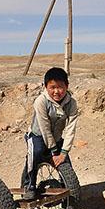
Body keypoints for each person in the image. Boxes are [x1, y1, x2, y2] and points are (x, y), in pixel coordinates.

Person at [21, 67, 79, 200]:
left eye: (60, 87)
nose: (56, 91)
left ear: (67, 86)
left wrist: (63, 152)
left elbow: (71, 128)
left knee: (66, 165)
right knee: (35, 154)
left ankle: (70, 205)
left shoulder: (71, 103)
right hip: (38, 136)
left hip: (57, 138)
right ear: (45, 86)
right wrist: (53, 152)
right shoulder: (41, 101)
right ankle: (28, 186)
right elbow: (44, 128)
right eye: (52, 87)